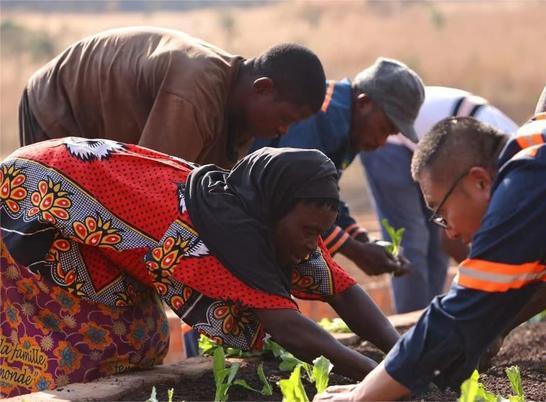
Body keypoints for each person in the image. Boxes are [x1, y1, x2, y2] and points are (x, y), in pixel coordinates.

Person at [0, 139, 399, 397]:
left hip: (84, 205)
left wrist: (403, 354)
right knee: (77, 342)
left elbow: (343, 290)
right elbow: (290, 329)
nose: (313, 244)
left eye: (321, 233)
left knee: (141, 338)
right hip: (33, 200)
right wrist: (387, 379)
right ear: (275, 209)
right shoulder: (213, 238)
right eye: (309, 231)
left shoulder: (267, 214)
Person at [315, 97, 546, 401]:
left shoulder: (527, 178)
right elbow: (517, 289)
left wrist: (361, 396)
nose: (449, 229)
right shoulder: (540, 153)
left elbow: (462, 309)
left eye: (440, 211)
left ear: (479, 182)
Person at [19, 27, 326, 168]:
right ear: (263, 88)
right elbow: (150, 186)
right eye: (286, 118)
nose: (284, 130)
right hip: (57, 107)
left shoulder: (239, 117)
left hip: (105, 140)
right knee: (55, 249)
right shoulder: (195, 92)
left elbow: (211, 194)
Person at [251, 57, 424, 277]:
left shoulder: (349, 127)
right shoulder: (321, 115)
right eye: (383, 128)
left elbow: (323, 196)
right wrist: (356, 251)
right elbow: (295, 197)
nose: (382, 143)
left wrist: (363, 240)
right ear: (364, 103)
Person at [360, 87, 519, 313]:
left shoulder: (511, 159)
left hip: (437, 150)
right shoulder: (508, 164)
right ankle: (412, 322)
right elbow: (452, 240)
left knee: (438, 237)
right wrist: (489, 281)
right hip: (393, 141)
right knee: (412, 238)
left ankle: (430, 316)